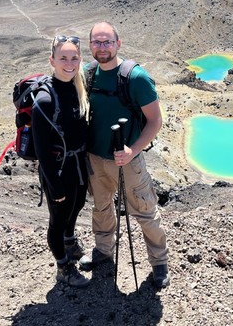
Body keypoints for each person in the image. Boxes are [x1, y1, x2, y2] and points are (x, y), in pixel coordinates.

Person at [79, 21, 170, 289]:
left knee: (144, 210)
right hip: (96, 158)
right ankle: (103, 251)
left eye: (107, 41)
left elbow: (155, 122)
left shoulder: (136, 78)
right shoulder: (88, 74)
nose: (102, 47)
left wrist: (133, 150)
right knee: (101, 207)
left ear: (118, 44)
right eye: (97, 42)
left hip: (129, 159)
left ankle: (159, 262)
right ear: (90, 46)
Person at [31, 34, 90, 288]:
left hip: (77, 165)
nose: (69, 63)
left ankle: (70, 242)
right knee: (57, 220)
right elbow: (43, 151)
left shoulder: (78, 87)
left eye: (74, 57)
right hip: (58, 170)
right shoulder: (45, 100)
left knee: (75, 208)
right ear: (52, 61)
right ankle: (63, 267)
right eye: (63, 58)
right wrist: (54, 186)